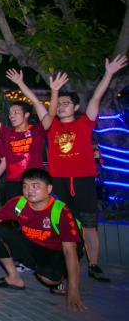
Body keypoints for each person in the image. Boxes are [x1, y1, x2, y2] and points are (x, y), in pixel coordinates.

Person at [44, 55, 127, 282]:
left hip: (83, 180)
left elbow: (96, 97)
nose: (61, 107)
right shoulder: (51, 126)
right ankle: (65, 261)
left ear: (76, 107)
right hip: (59, 181)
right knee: (62, 224)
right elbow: (45, 109)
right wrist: (54, 92)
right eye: (59, 104)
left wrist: (108, 73)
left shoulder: (84, 123)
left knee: (89, 224)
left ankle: (93, 264)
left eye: (66, 103)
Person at [0, 168, 85, 311]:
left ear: (49, 189)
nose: (29, 191)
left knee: (48, 279)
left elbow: (69, 251)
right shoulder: (19, 203)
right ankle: (14, 278)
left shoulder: (61, 212)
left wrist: (73, 289)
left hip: (56, 252)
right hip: (32, 245)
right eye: (25, 186)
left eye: (35, 186)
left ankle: (60, 276)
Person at [0, 73, 49, 202]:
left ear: (26, 114)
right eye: (10, 113)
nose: (11, 116)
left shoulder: (37, 131)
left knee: (34, 212)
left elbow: (37, 103)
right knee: (14, 214)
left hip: (34, 182)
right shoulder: (7, 133)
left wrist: (20, 83)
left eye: (16, 112)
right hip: (13, 183)